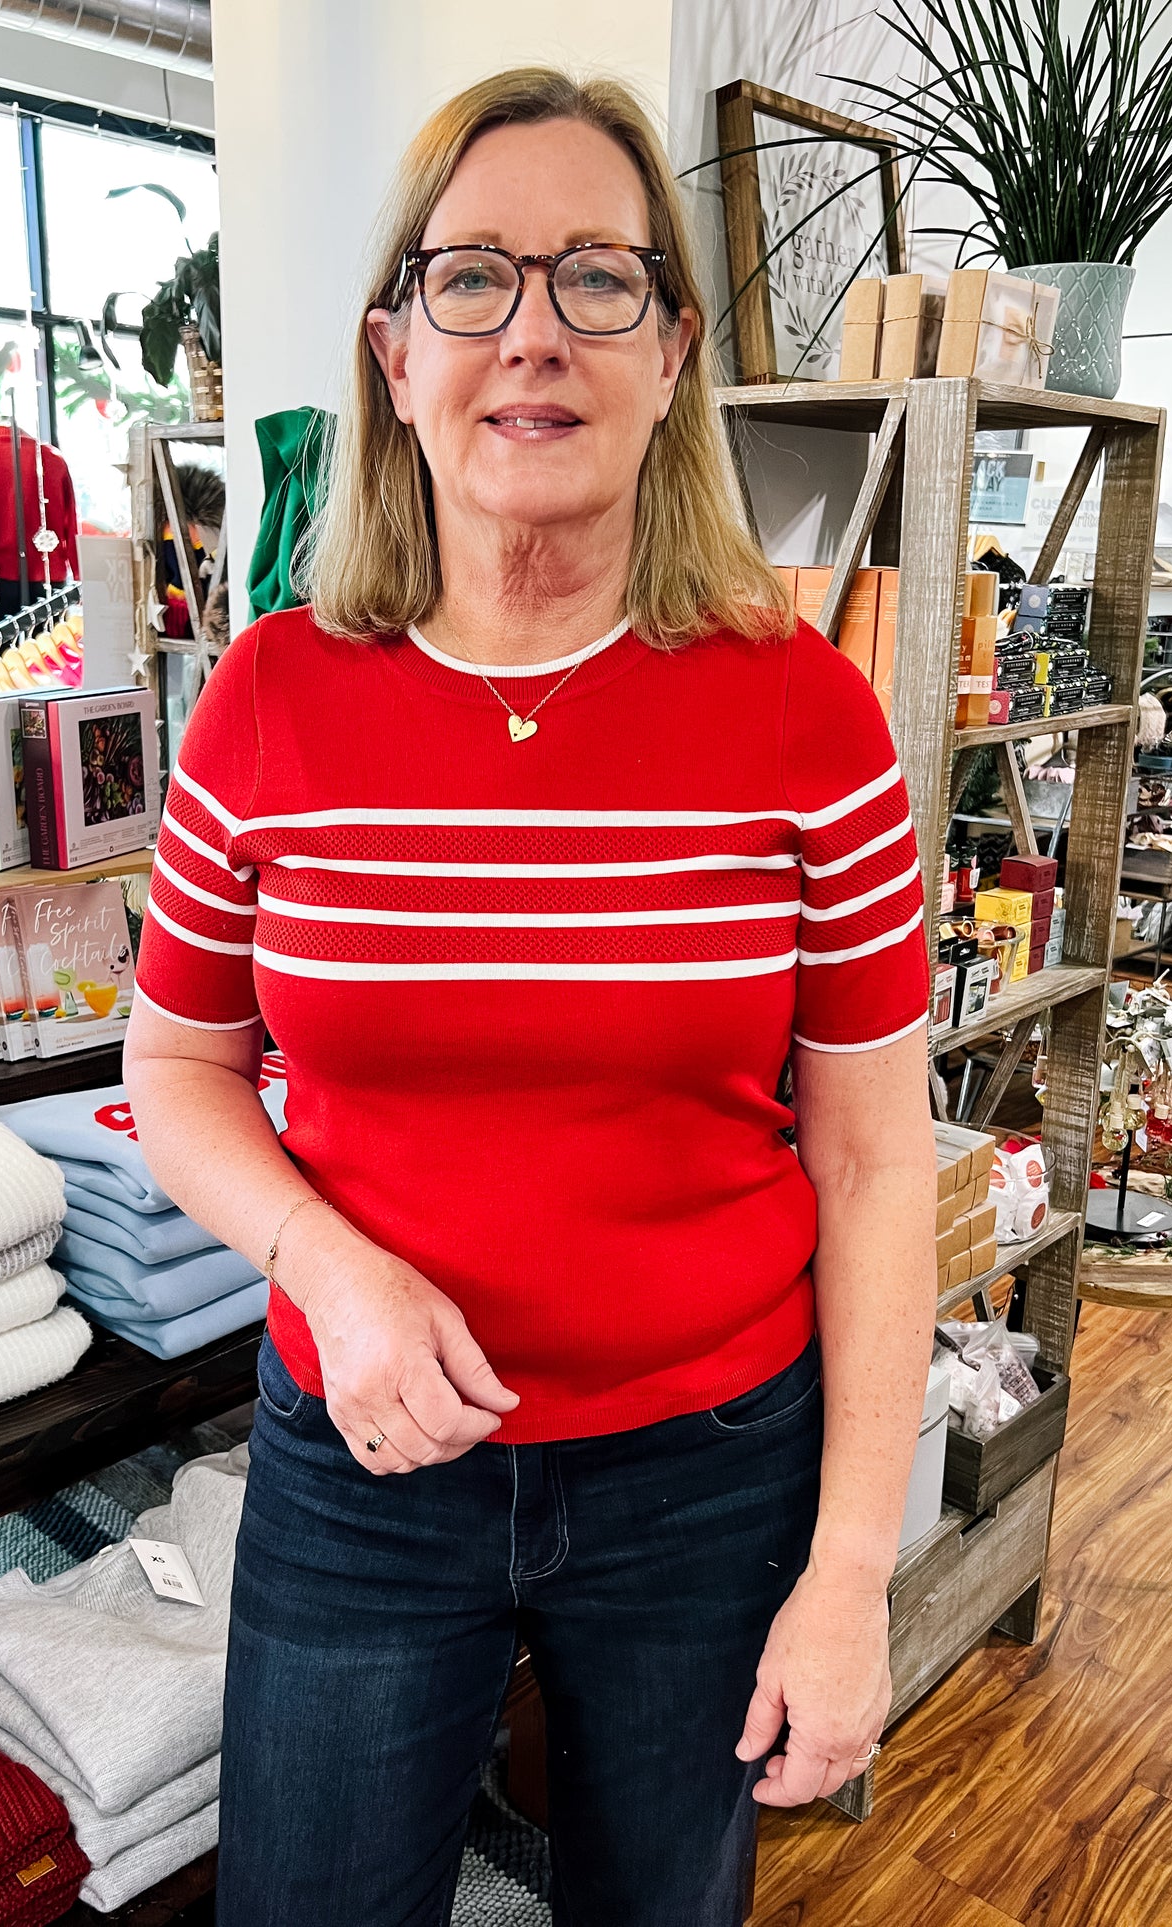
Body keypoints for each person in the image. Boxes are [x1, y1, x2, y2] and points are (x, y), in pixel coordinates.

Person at [124, 66, 937, 1927]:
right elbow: (176, 1067)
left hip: (707, 1474)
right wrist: (329, 1267)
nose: (534, 334)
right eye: (473, 276)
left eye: (598, 278)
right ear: (395, 353)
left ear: (672, 352)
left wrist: (849, 1570)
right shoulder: (268, 701)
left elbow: (877, 1157)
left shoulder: (804, 717)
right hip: (359, 1459)